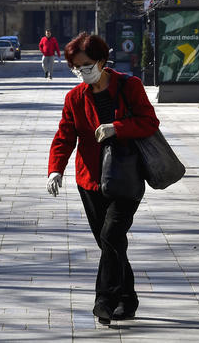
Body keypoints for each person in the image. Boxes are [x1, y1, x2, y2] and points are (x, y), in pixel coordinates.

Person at [46, 32, 159, 324]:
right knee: (110, 242)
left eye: (86, 65)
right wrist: (55, 169)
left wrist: (116, 128)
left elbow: (149, 121)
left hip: (126, 177)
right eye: (76, 67)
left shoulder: (129, 86)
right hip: (91, 180)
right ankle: (128, 299)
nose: (81, 72)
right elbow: (64, 136)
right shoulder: (75, 97)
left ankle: (104, 301)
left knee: (111, 236)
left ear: (101, 61)